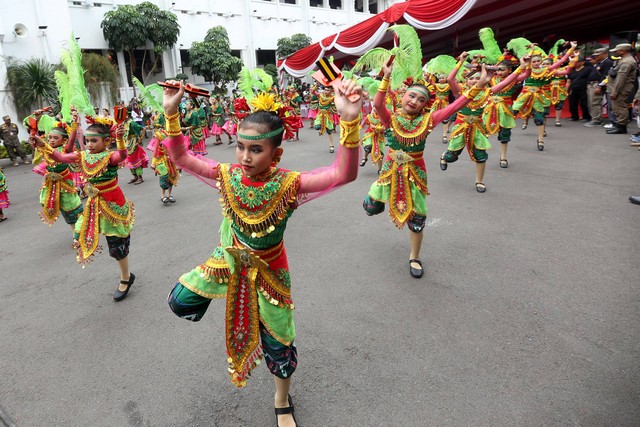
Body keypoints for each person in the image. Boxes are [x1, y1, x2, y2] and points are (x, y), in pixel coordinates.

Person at [161, 79, 362, 427]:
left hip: (270, 274)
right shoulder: (227, 175)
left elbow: (343, 174)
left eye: (255, 150)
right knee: (179, 302)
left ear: (275, 153)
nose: (244, 157)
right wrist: (171, 112)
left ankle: (282, 400)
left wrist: (349, 121)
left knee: (280, 347)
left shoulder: (289, 185)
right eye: (240, 147)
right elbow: (179, 156)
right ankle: (232, 301)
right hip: (228, 260)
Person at [363, 58, 492, 279]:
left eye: (421, 99)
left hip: (415, 174)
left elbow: (456, 105)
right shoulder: (389, 119)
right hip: (389, 172)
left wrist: (480, 84)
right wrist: (385, 76)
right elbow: (377, 104)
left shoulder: (429, 120)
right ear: (403, 96)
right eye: (411, 96)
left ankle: (414, 256)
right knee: (371, 207)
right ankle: (376, 203)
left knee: (417, 219)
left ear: (425, 105)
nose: (414, 101)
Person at [31, 123, 136, 301]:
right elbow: (60, 157)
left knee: (117, 245)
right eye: (87, 141)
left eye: (94, 141)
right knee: (81, 232)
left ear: (107, 141)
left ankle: (126, 277)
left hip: (112, 204)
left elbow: (122, 155)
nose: (89, 144)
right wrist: (42, 144)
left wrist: (119, 139)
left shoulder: (109, 156)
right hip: (94, 203)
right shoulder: (82, 156)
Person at [441, 52, 525, 190]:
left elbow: (506, 82)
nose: (474, 81)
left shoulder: (488, 92)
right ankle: (445, 156)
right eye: (472, 78)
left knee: (481, 155)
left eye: (478, 78)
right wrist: (461, 61)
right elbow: (450, 79)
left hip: (478, 129)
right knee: (452, 156)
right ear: (466, 81)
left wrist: (521, 66)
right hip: (461, 127)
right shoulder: (460, 92)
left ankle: (479, 181)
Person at [31, 122, 83, 241]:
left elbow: (72, 139)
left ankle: (77, 234)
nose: (51, 140)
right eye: (49, 137)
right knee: (45, 201)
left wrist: (74, 126)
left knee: (71, 210)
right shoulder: (45, 148)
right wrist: (33, 132)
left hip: (65, 183)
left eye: (55, 138)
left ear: (64, 140)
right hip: (50, 183)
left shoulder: (66, 149)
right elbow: (35, 141)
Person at [606, 43, 637, 134]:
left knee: (620, 107)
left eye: (617, 50)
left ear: (623, 51)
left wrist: (615, 91)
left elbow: (621, 78)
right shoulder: (624, 60)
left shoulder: (627, 62)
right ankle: (618, 125)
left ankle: (621, 126)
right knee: (617, 106)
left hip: (621, 88)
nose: (616, 52)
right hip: (619, 87)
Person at [584, 47, 613, 127]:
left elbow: (606, 76)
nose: (596, 57)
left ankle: (597, 120)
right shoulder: (599, 62)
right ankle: (594, 118)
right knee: (591, 102)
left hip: (597, 84)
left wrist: (600, 86)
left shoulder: (607, 62)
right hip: (591, 84)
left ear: (604, 54)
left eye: (598, 55)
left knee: (595, 102)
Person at [566, 56, 592, 122]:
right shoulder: (572, 70)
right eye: (575, 62)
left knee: (584, 103)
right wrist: (566, 90)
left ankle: (586, 117)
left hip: (583, 88)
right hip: (573, 88)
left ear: (582, 62)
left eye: (577, 62)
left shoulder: (587, 69)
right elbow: (568, 81)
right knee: (572, 103)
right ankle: (574, 116)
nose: (576, 63)